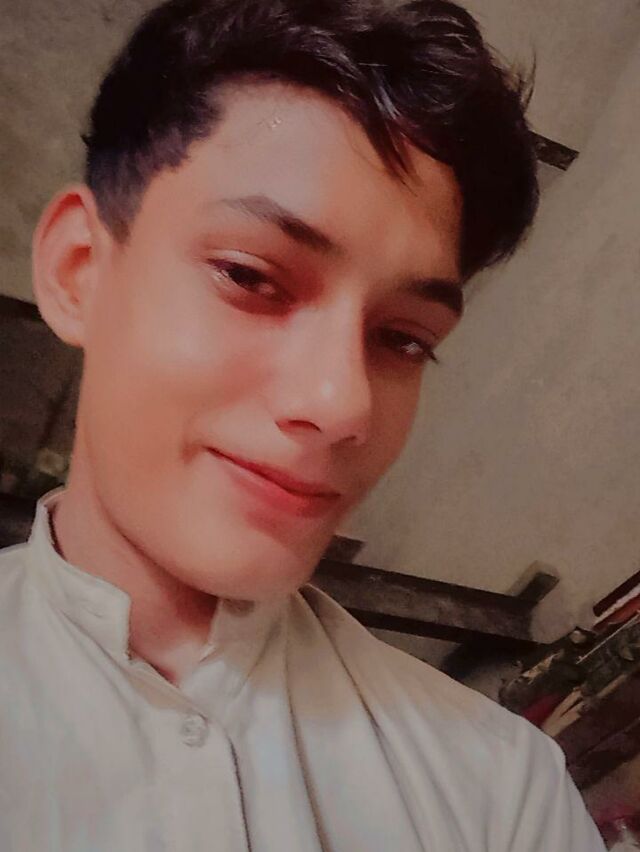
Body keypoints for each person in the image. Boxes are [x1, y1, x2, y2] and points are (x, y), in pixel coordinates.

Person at [0, 0, 605, 849]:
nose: (342, 402)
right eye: (251, 277)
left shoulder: (502, 792)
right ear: (78, 272)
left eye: (403, 338)